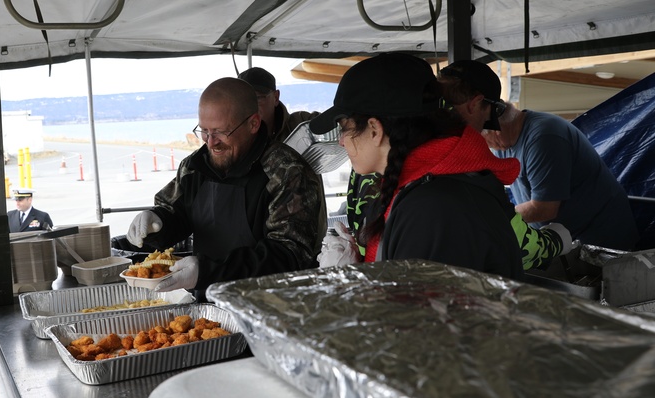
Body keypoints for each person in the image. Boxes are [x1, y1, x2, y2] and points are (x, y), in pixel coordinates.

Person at [311, 52, 528, 278]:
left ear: (375, 129)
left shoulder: (433, 210)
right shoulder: (421, 190)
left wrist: (347, 284)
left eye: (344, 127)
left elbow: (414, 311)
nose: (341, 140)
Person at [127, 77, 324, 297]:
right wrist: (157, 222)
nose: (211, 142)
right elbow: (177, 212)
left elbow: (289, 254)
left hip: (269, 308)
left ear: (253, 124)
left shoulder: (286, 172)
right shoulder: (194, 167)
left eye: (221, 132)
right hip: (209, 305)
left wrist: (208, 271)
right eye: (204, 131)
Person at [440, 60, 638, 251]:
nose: (478, 144)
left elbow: (544, 209)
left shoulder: (544, 136)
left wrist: (489, 217)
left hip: (601, 243)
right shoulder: (501, 145)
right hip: (564, 240)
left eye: (478, 134)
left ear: (494, 126)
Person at [238, 66, 316, 143]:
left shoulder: (300, 124)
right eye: (243, 100)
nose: (250, 106)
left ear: (275, 97)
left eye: (258, 98)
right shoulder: (234, 138)